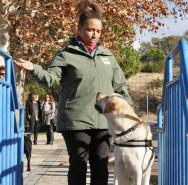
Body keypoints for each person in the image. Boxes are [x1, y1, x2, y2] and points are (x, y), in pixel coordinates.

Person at [13, 1, 132, 184]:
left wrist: (129, 114)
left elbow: (121, 87)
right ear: (79, 28)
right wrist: (34, 68)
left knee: (100, 165)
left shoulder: (108, 56)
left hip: (103, 120)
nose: (94, 35)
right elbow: (50, 78)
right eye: (90, 30)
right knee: (78, 164)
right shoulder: (66, 54)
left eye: (98, 31)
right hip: (75, 120)